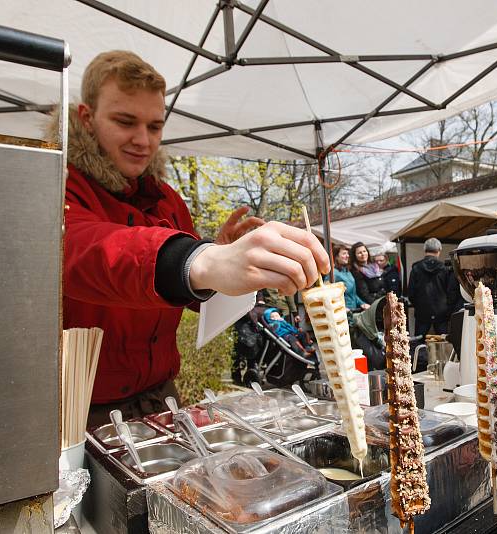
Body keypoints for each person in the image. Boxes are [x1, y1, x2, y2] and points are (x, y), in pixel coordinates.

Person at [60, 51, 329, 427]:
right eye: (125, 122)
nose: (143, 140)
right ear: (87, 118)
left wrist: (220, 263)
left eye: (155, 127)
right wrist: (200, 259)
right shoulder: (59, 185)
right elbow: (84, 251)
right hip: (81, 411)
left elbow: (194, 301)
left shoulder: (166, 199)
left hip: (161, 396)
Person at [407, 238, 453, 337]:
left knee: (418, 341)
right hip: (442, 312)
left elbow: (411, 292)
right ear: (439, 250)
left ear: (425, 250)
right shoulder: (444, 269)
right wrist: (448, 307)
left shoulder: (416, 268)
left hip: (422, 312)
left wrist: (418, 305)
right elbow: (451, 291)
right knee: (443, 342)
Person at [328, 245, 368, 311]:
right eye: (344, 253)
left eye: (347, 253)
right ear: (336, 257)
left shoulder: (347, 271)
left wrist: (362, 303)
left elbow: (353, 294)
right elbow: (329, 295)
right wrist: (341, 308)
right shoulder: (333, 273)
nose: (347, 256)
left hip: (353, 310)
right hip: (343, 312)